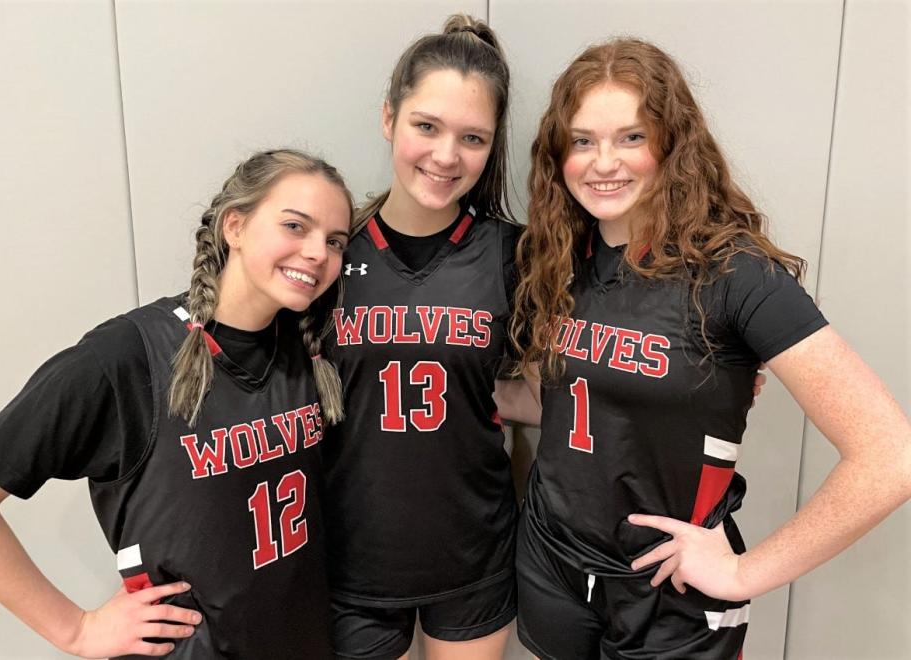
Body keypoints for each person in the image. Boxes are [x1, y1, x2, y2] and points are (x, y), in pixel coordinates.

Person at [510, 38, 911, 660]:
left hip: (669, 593)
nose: (603, 161)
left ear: (671, 143)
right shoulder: (558, 257)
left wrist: (743, 575)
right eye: (582, 140)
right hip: (552, 565)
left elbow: (891, 456)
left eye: (631, 138)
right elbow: (567, 401)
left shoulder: (733, 273)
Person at [0, 149, 354, 659]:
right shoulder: (126, 355)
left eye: (335, 240)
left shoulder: (307, 348)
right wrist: (75, 630)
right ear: (235, 225)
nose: (318, 252)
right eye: (296, 226)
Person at [322, 14, 524, 660]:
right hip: (351, 565)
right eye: (426, 126)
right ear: (389, 117)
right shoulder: (326, 252)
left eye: (472, 137)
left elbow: (555, 391)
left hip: (474, 559)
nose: (445, 155)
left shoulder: (511, 255)